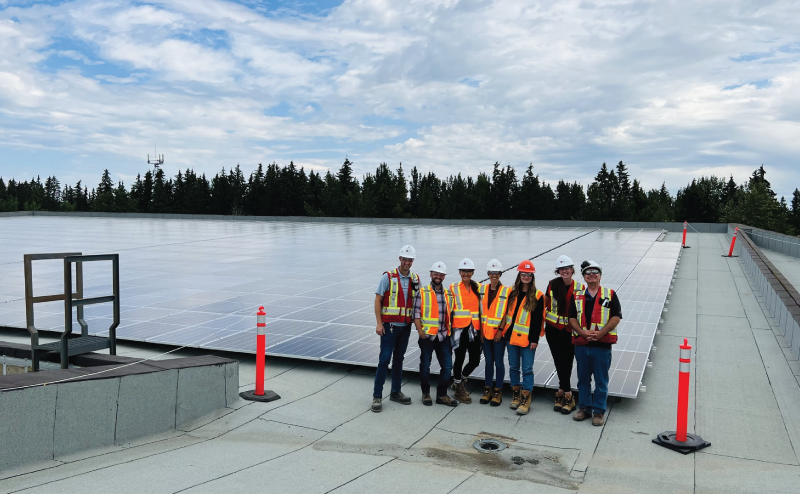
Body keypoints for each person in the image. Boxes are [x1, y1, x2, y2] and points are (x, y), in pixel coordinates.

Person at [568, 260, 622, 426]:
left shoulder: (610, 294)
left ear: (600, 276)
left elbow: (616, 317)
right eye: (587, 273)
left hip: (602, 346)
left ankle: (598, 412)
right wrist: (582, 333)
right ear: (584, 277)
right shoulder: (576, 296)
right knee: (583, 379)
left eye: (594, 272)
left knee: (600, 381)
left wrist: (600, 333)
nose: (591, 274)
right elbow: (571, 318)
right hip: (582, 345)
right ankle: (584, 408)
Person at [371, 245, 420, 413]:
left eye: (410, 260)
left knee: (399, 360)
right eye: (405, 259)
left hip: (405, 328)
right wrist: (379, 323)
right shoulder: (388, 277)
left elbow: (419, 303)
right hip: (388, 327)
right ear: (400, 259)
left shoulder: (415, 279)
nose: (407, 262)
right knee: (384, 360)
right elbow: (378, 300)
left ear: (412, 261)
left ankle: (395, 392)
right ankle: (377, 396)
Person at [544, 255, 585, 415]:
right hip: (553, 329)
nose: (564, 271)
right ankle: (565, 393)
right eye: (561, 269)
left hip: (570, 330)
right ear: (558, 271)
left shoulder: (580, 288)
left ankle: (565, 393)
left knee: (567, 361)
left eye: (567, 268)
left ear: (572, 270)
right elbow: (545, 304)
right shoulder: (552, 284)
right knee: (558, 360)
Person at [414, 261, 458, 407]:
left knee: (447, 367)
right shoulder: (422, 292)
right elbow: (416, 313)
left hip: (443, 336)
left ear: (444, 276)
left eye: (441, 274)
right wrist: (420, 332)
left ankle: (442, 395)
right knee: (425, 365)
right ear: (431, 274)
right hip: (427, 336)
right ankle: (425, 393)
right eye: (435, 274)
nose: (438, 276)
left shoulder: (448, 294)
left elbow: (451, 315)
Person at [502, 260, 544, 415]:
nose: (526, 277)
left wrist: (534, 339)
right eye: (523, 274)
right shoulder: (512, 293)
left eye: (529, 275)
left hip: (527, 340)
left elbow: (537, 320)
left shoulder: (538, 296)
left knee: (527, 369)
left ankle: (526, 398)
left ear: (532, 277)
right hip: (511, 337)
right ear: (519, 275)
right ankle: (516, 395)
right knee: (513, 367)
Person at [449, 258, 483, 404]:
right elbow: (449, 310)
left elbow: (483, 310)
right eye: (463, 271)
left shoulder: (479, 288)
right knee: (460, 358)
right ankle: (459, 388)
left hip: (474, 329)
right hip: (459, 329)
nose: (466, 273)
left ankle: (460, 380)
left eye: (469, 271)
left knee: (475, 360)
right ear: (459, 272)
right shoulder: (453, 288)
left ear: (473, 272)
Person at [478, 259, 512, 406]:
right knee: (488, 363)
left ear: (500, 274)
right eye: (491, 273)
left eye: (496, 273)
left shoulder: (506, 291)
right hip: (485, 334)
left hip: (498, 335)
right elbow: (480, 313)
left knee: (498, 363)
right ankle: (487, 390)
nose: (494, 275)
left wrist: (500, 331)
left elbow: (506, 314)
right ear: (488, 274)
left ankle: (498, 391)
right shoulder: (482, 290)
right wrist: (480, 332)